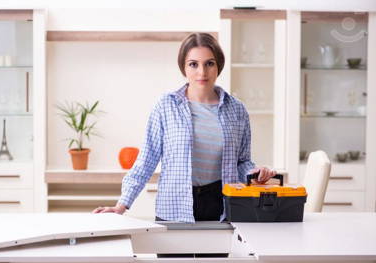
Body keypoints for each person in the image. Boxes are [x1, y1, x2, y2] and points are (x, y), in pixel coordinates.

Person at [92, 32, 276, 223]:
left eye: (209, 63)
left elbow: (242, 162)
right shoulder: (166, 106)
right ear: (184, 67)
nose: (202, 72)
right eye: (193, 64)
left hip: (221, 205)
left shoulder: (237, 110)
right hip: (174, 205)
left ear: (218, 66)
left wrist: (255, 172)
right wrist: (121, 205)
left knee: (216, 254)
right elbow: (146, 160)